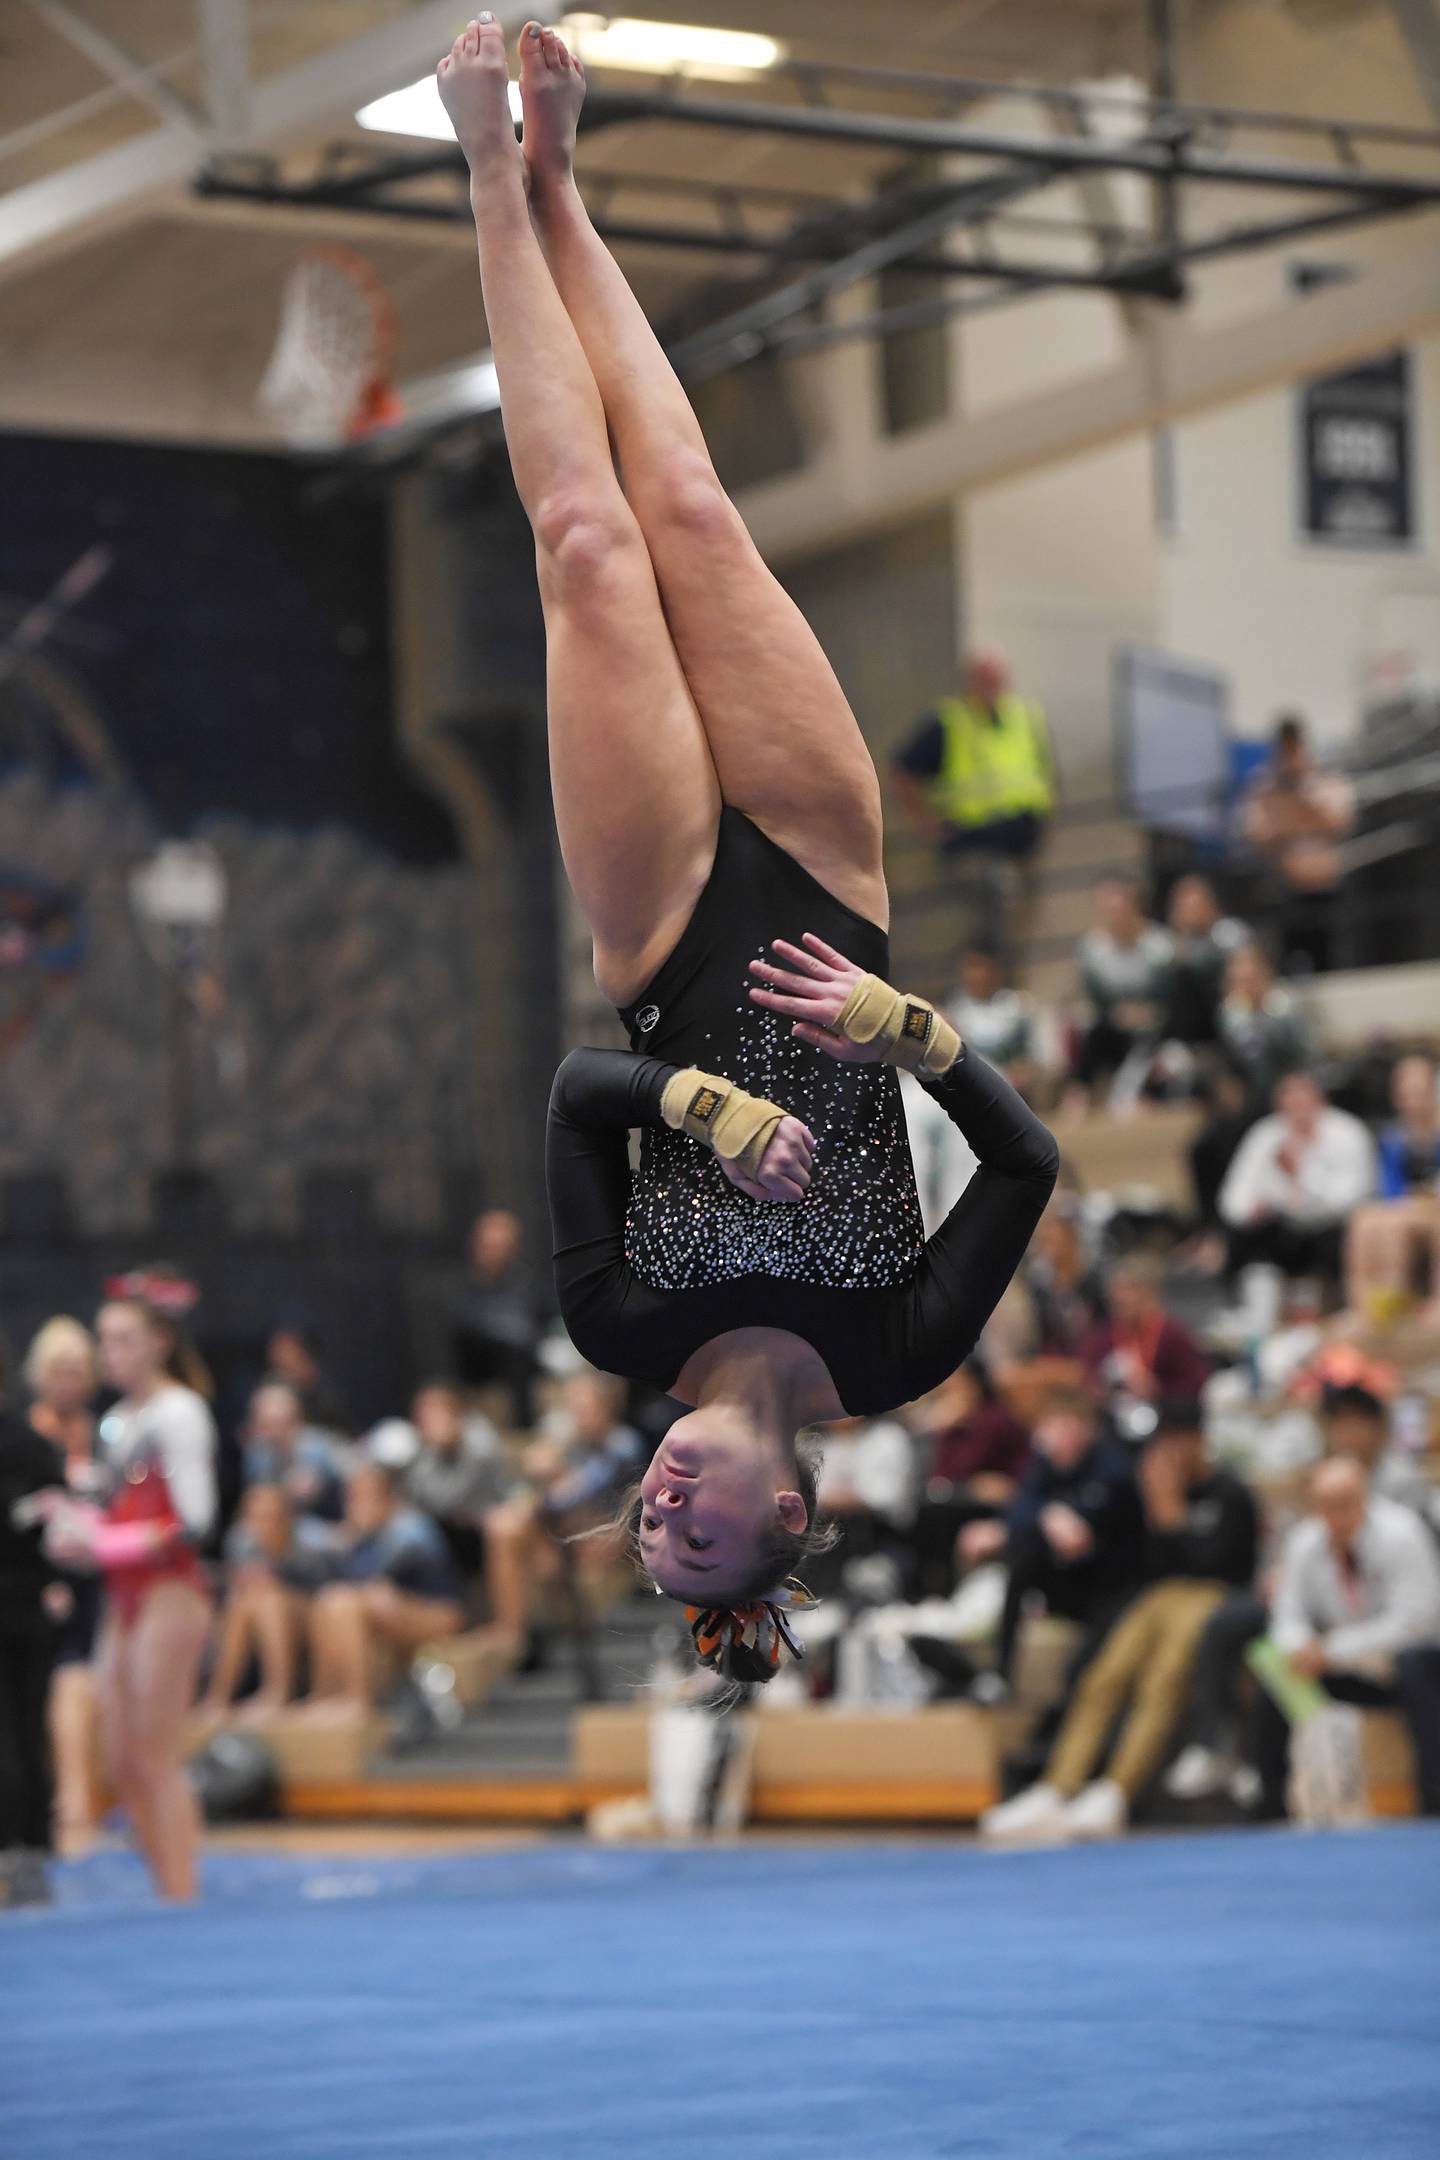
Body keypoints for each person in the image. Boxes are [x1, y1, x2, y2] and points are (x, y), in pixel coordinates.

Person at [433, 21, 1058, 1679]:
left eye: (647, 1524)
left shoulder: (622, 1326)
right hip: (834, 892)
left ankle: (493, 175)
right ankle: (572, 192)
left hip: (659, 939)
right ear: (787, 1515)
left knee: (585, 543)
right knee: (694, 508)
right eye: (693, 1526)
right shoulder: (899, 1350)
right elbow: (1027, 1167)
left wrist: (693, 1099)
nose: (661, 1499)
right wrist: (907, 1034)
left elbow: (581, 1093)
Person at [982, 1402, 1259, 1841]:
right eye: (1164, 1444)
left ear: (1199, 1443)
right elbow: (1143, 1561)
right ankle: (1057, 1788)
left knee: (1163, 1679)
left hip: (1210, 1594)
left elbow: (1224, 1566)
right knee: (1103, 1676)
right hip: (1157, 1594)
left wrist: (1171, 1519)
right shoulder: (1150, 1488)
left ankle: (1117, 1790)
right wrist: (1158, 1512)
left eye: (1179, 1443)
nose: (1171, 1454)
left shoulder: (1230, 1493)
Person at [36, 1294, 218, 1901]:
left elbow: (194, 1519)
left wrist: (106, 1544)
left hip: (169, 1589)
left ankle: (181, 1892)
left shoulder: (180, 1413)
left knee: (154, 1752)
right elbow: (111, 1503)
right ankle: (165, 1882)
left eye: (124, 1339)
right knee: (120, 1758)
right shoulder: (117, 1420)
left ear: (159, 1342)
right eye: (105, 1339)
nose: (109, 1353)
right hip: (125, 1593)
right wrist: (70, 1515)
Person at [1251, 1457, 1440, 1819]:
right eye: (1326, 1505)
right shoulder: (1305, 1540)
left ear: (1364, 1497)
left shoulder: (1402, 1532)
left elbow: (1416, 1622)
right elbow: (1287, 1615)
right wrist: (1301, 1648)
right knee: (1274, 1669)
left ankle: (1433, 1794)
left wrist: (1332, 1649)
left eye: (1345, 1503)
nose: (1336, 1515)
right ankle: (1270, 1801)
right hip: (1339, 1664)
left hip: (1405, 1662)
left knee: (1415, 1665)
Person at [958, 1387, 1142, 1703]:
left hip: (1110, 1586)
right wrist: (1047, 1514)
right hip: (1063, 1578)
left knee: (1081, 1669)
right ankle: (1000, 1676)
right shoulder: (1043, 1467)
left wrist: (1048, 1520)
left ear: (1087, 1428)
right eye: (1053, 1426)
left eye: (1067, 1426)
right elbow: (1021, 1509)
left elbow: (1080, 1537)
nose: (1058, 1435)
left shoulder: (1113, 1468)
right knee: (1021, 1564)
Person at [890, 650, 1055, 943]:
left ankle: (1009, 979)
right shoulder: (949, 721)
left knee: (1021, 926)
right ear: (970, 681)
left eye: (996, 679)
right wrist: (926, 822)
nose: (991, 687)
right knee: (985, 923)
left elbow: (1041, 768)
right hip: (974, 843)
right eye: (984, 680)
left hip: (1023, 840)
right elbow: (903, 769)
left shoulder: (1024, 715)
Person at [24, 1317, 102, 1852]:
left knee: (85, 1681)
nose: (69, 1382)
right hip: (46, 1580)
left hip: (98, 1575)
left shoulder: (101, 1431)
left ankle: (82, 1798)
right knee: (65, 1680)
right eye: (59, 1371)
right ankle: (71, 1802)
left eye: (77, 1371)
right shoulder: (29, 1434)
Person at [302, 1462, 463, 1717]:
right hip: (390, 1607)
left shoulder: (409, 1528)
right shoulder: (360, 1537)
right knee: (328, 1600)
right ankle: (327, 1693)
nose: (357, 1505)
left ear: (387, 1497)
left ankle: (359, 1697)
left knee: (352, 1601)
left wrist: (351, 1540)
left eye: (367, 1497)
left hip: (439, 1614)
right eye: (353, 1498)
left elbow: (383, 1584)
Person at [0, 1347, 65, 1909]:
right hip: (32, 1606)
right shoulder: (36, 1444)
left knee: (9, 1735)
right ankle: (33, 1854)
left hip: (18, 1604)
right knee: (28, 1729)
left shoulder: (34, 1444)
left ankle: (17, 1857)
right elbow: (60, 1528)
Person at [1219, 1071, 1377, 1301]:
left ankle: (1339, 1304)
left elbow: (1352, 1197)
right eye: (1289, 1098)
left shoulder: (1347, 1132)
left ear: (1320, 1099)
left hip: (1332, 1227)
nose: (1298, 1106)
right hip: (1281, 1225)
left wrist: (1300, 1178)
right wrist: (1254, 1209)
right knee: (1242, 1239)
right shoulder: (1265, 1134)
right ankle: (1255, 1312)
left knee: (1343, 1236)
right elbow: (1235, 1196)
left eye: (1304, 1097)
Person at [203, 1485, 334, 1719]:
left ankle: (279, 1690)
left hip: (312, 1627)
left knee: (269, 1599)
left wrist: (271, 1582)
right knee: (243, 1603)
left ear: (286, 1518)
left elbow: (324, 1601)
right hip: (259, 1624)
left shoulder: (310, 1548)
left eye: (272, 1517)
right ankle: (218, 1697)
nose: (265, 1526)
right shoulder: (243, 1547)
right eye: (257, 1518)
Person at [1241, 713, 1355, 975]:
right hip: (1283, 887)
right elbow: (1259, 834)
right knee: (1282, 960)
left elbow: (1337, 824)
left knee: (1329, 958)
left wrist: (1295, 801)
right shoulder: (1263, 785)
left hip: (1323, 885)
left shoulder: (1325, 779)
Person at [910, 1363, 1032, 1601]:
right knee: (926, 1513)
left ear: (975, 1387)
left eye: (957, 1388)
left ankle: (948, 1596)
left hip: (1006, 1505)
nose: (949, 1397)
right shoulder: (952, 1428)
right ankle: (931, 1596)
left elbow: (971, 1469)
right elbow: (941, 1476)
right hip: (964, 1499)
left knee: (940, 1517)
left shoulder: (995, 1420)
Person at [1064, 878, 1172, 1112]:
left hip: (1158, 1021)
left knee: (1161, 1037)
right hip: (1115, 1023)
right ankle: (1079, 1091)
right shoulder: (1093, 947)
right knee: (1092, 1029)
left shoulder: (1159, 943)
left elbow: (1169, 992)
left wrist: (1147, 1012)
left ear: (1135, 907)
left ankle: (1149, 1094)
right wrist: (1120, 1012)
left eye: (1122, 909)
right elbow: (1098, 996)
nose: (1117, 917)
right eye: (1109, 911)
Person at [1345, 1053, 1440, 1322]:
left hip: (1434, 1208)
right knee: (1363, 1220)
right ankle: (1367, 1303)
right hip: (1409, 1208)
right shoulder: (1394, 1138)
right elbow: (1391, 1189)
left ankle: (1435, 1300)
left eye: (1419, 1093)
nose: (1413, 1102)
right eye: (1406, 1095)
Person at [1080, 1255, 1210, 1439]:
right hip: (1114, 1427)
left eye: (1129, 1289)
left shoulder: (1172, 1335)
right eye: (1116, 1291)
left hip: (1164, 1428)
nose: (1121, 1298)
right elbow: (1088, 1378)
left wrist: (1157, 1390)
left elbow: (1195, 1391)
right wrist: (1101, 1391)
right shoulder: (1104, 1337)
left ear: (1151, 1293)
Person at [451, 1208, 542, 1430]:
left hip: (527, 1390)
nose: (496, 1253)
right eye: (489, 1246)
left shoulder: (528, 1287)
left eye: (504, 1247)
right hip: (475, 1391)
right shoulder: (455, 1290)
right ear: (475, 1245)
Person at [1215, 944, 1312, 1104]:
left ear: (1265, 975)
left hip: (1291, 1077)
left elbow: (1301, 1052)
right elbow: (1235, 1055)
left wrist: (1263, 1017)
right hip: (1250, 1089)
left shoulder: (1285, 1004)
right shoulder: (1230, 1011)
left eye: (1250, 979)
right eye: (1237, 981)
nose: (1245, 987)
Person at [942, 943, 1043, 1098]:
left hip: (1009, 1095)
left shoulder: (1017, 1007)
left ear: (995, 969)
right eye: (969, 967)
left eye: (979, 966)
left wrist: (1018, 1075)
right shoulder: (954, 1012)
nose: (974, 975)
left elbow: (1034, 1060)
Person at [242, 1379, 348, 1523]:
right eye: (265, 1424)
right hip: (282, 1526)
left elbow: (353, 1479)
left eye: (277, 1422)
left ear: (294, 1417)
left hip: (327, 1520)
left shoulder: (317, 1446)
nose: (271, 1432)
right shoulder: (258, 1454)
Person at [1162, 876, 1250, 1049]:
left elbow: (1244, 970)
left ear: (1211, 905)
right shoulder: (1173, 942)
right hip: (1197, 1014)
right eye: (1185, 908)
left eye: (1196, 906)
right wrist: (1182, 935)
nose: (1192, 913)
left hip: (1233, 999)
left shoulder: (1229, 931)